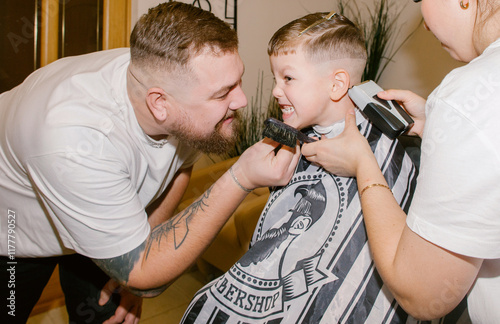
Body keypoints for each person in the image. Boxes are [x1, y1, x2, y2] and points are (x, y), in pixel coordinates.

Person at [0, 2, 300, 323]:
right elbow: (146, 278)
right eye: (222, 93)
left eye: (237, 82)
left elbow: (179, 167)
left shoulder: (170, 85)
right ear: (159, 104)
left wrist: (145, 251)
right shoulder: (74, 140)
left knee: (107, 314)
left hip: (103, 213)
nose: (241, 100)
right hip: (16, 234)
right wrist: (239, 178)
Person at [181, 12, 465, 323]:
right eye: (275, 78)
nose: (276, 91)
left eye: (288, 78)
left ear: (337, 84)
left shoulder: (388, 145)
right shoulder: (291, 141)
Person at [301, 0, 500, 322]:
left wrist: (363, 164)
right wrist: (442, 124)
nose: (423, 22)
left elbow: (422, 294)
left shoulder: (469, 94)